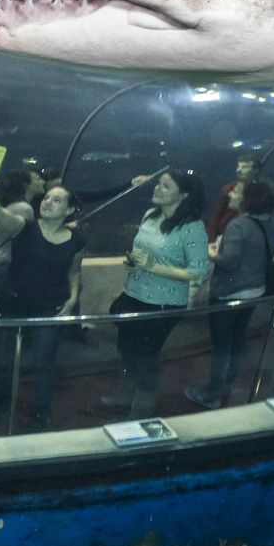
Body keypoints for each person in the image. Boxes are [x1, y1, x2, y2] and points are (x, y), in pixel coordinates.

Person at [0, 166, 85, 432]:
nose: (48, 201)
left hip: (50, 309)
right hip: (14, 304)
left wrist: (72, 299)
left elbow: (74, 271)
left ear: (69, 210)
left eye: (57, 200)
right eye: (47, 198)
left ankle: (41, 414)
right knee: (5, 361)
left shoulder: (77, 239)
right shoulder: (25, 227)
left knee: (44, 364)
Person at [107, 169, 210, 418]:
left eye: (166, 186)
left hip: (162, 304)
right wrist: (133, 262)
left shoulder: (192, 227)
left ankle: (141, 411)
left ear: (183, 195)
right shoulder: (149, 216)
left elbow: (197, 272)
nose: (157, 188)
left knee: (146, 358)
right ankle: (123, 397)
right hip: (133, 293)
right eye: (159, 184)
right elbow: (140, 252)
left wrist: (153, 267)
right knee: (125, 347)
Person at [187, 180, 274, 409]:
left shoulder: (238, 225)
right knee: (237, 340)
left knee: (221, 345)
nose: (232, 194)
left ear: (249, 199)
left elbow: (229, 262)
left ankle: (212, 393)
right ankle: (228, 384)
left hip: (229, 293)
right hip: (255, 291)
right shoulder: (270, 223)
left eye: (238, 192)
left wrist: (210, 254)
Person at [0, 167, 43, 376]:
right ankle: (1, 364)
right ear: (26, 184)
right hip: (5, 267)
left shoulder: (10, 204)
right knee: (7, 318)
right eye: (37, 178)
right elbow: (26, 239)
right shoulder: (24, 208)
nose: (41, 180)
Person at [205, 153, 261, 242]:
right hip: (226, 236)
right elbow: (216, 216)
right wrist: (212, 240)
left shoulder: (262, 191)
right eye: (238, 166)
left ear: (256, 170)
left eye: (244, 167)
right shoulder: (228, 189)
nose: (239, 170)